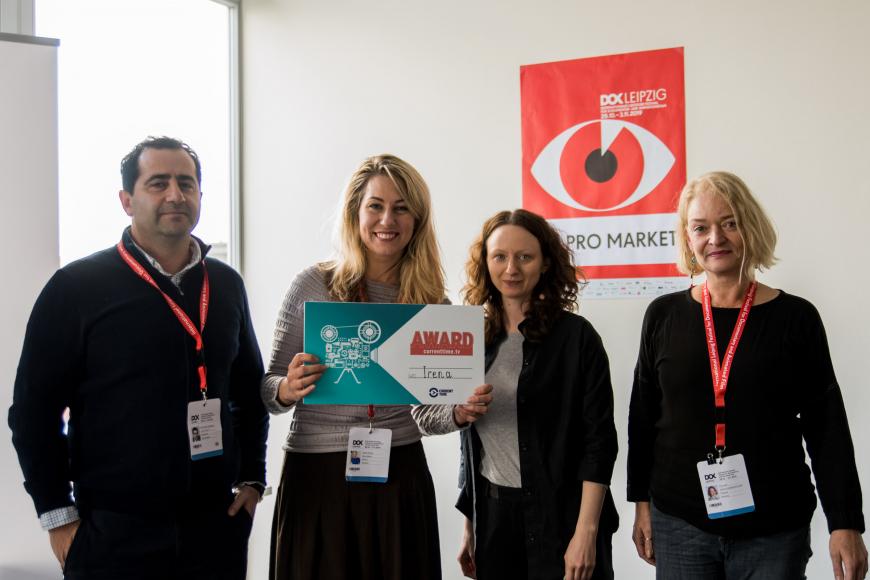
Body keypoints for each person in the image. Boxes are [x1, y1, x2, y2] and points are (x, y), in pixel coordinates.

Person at [9, 136, 268, 580]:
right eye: (158, 183)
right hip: (113, 531)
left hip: (213, 527)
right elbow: (34, 412)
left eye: (186, 183)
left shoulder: (225, 285)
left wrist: (252, 478)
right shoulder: (76, 287)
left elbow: (248, 389)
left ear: (200, 196)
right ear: (127, 200)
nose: (175, 195)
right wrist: (57, 514)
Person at [261, 154, 492, 580]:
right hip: (317, 473)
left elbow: (425, 414)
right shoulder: (313, 283)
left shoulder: (431, 303)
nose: (388, 219)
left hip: (398, 472)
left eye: (402, 207)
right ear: (355, 212)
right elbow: (268, 390)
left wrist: (458, 413)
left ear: (417, 219)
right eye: (376, 205)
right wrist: (287, 389)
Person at [627, 171, 868, 579]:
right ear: (688, 239)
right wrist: (641, 505)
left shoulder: (796, 319)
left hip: (773, 529)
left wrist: (845, 522)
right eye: (700, 227)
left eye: (730, 223)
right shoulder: (663, 316)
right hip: (680, 523)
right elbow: (642, 416)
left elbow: (827, 427)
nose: (715, 238)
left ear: (750, 227)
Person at [444, 209, 619, 580]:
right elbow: (470, 444)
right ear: (485, 263)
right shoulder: (471, 338)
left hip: (564, 517)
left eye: (525, 257)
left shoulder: (577, 338)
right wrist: (469, 526)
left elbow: (599, 443)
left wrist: (585, 533)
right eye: (500, 257)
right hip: (494, 520)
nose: (511, 268)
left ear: (545, 264)